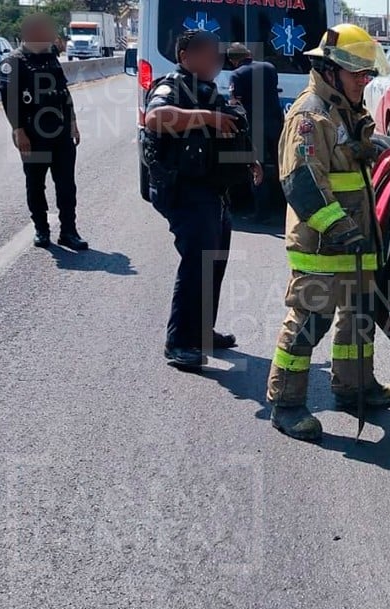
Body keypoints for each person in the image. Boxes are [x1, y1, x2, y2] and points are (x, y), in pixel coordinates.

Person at [265, 24, 390, 441]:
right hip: (323, 245)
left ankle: (354, 386)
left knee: (359, 319)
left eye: (367, 72)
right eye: (356, 72)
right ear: (329, 70)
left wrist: (364, 150)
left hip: (354, 243)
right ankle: (286, 405)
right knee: (309, 323)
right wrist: (341, 228)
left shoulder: (344, 109)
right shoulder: (310, 116)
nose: (364, 80)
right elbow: (302, 182)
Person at [142, 30, 263, 370]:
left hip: (211, 189)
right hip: (184, 190)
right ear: (185, 57)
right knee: (197, 263)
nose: (216, 60)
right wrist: (208, 117)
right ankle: (179, 342)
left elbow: (228, 131)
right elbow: (155, 118)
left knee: (214, 260)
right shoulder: (172, 87)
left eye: (217, 55)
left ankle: (201, 331)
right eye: (208, 54)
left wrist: (249, 158)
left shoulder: (207, 89)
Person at [0, 13, 88, 251]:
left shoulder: (50, 57)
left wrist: (72, 122)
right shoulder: (14, 61)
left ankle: (69, 231)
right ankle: (41, 229)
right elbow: (9, 99)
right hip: (33, 135)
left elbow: (63, 92)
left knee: (66, 185)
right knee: (36, 184)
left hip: (60, 134)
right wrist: (18, 130)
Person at [227, 43, 286, 223]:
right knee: (283, 166)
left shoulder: (237, 75)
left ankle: (262, 213)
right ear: (248, 54)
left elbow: (235, 102)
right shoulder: (269, 67)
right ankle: (289, 208)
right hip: (276, 123)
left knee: (257, 168)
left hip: (255, 126)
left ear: (233, 61)